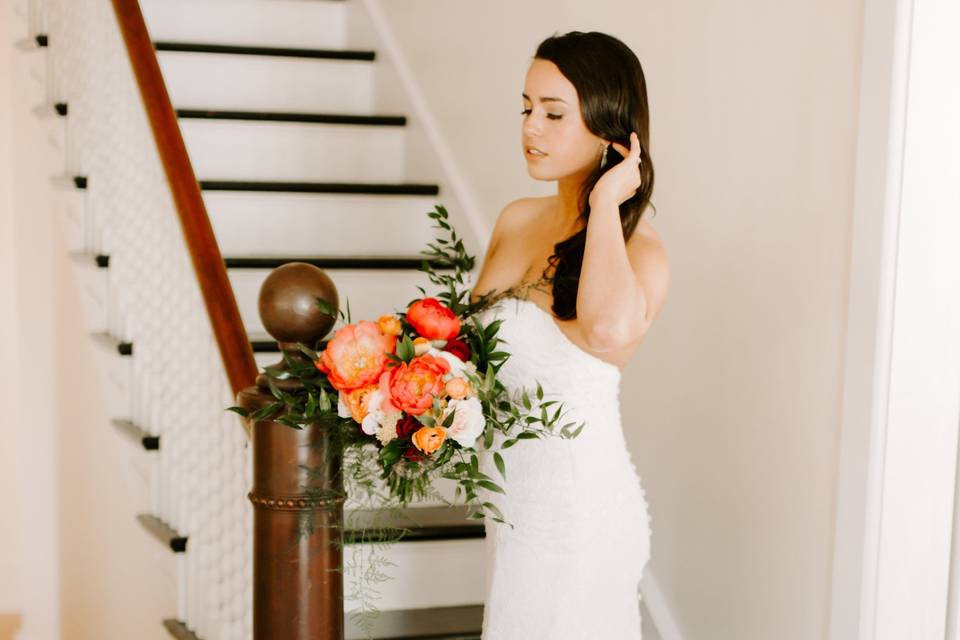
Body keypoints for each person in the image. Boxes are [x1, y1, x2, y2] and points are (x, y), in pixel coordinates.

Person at [468, 30, 670, 639]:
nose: (532, 127)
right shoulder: (516, 218)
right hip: (512, 510)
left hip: (579, 516)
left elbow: (607, 329)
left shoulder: (642, 252)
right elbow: (469, 351)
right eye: (526, 108)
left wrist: (606, 204)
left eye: (555, 114)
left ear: (612, 129)